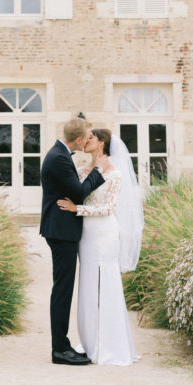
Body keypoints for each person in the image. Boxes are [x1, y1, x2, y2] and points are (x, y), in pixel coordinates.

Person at [57, 127, 143, 366]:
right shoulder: (84, 170)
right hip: (85, 235)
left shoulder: (115, 173)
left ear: (102, 143)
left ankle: (111, 345)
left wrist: (78, 210)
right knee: (87, 285)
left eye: (91, 138)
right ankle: (90, 342)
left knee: (106, 284)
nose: (86, 140)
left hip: (104, 233)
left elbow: (108, 208)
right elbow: (78, 192)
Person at [39, 117, 106, 366]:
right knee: (62, 290)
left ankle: (62, 345)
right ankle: (60, 349)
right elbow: (78, 192)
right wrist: (98, 170)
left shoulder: (59, 154)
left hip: (61, 229)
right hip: (61, 231)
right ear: (78, 140)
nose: (88, 139)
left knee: (63, 288)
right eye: (86, 136)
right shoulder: (58, 158)